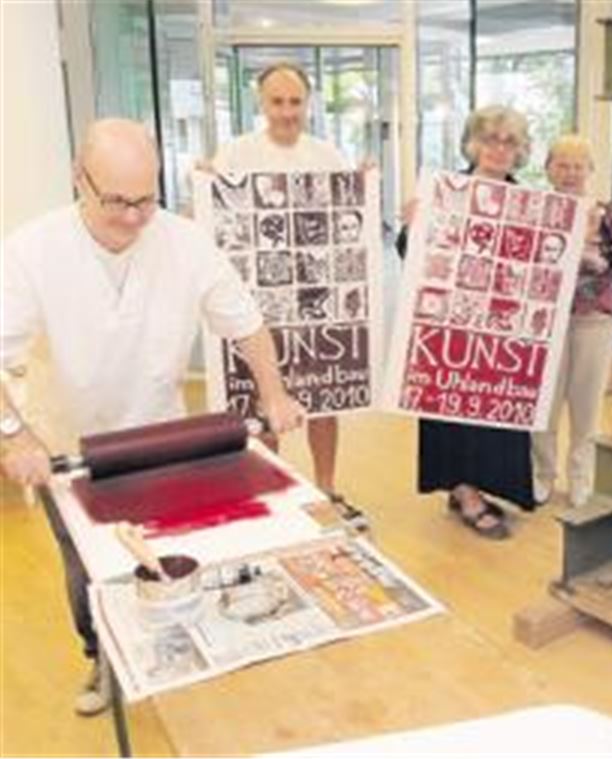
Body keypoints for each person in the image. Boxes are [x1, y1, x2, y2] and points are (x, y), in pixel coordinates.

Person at [0, 119, 305, 716]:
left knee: (169, 555)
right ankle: (101, 659)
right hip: (69, 448)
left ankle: (177, 648)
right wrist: (15, 434)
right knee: (90, 568)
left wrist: (274, 393)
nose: (135, 217)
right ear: (78, 181)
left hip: (161, 440)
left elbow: (246, 323)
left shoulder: (185, 241)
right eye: (117, 201)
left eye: (146, 199)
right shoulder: (30, 251)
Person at [209, 61, 351, 496]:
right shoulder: (234, 153)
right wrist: (202, 184)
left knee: (325, 399)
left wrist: (363, 184)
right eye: (277, 101)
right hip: (255, 302)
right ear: (261, 102)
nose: (287, 111)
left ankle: (326, 487)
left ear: (307, 103)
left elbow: (348, 218)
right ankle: (272, 489)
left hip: (315, 297)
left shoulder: (326, 155)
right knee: (263, 399)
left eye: (295, 102)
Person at [396, 105, 536, 539]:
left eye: (509, 141)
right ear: (473, 143)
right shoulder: (446, 191)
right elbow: (409, 252)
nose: (498, 149)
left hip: (502, 327)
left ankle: (476, 487)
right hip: (449, 324)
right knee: (452, 411)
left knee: (493, 410)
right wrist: (413, 226)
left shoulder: (530, 203)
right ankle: (465, 492)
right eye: (490, 139)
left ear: (521, 151)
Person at [532, 135, 612, 508]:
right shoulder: (536, 209)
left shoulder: (608, 214)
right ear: (548, 169)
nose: (570, 173)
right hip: (545, 320)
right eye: (562, 164)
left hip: (595, 319)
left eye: (578, 165)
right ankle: (541, 475)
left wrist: (599, 265)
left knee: (587, 406)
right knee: (544, 406)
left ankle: (582, 476)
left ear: (590, 170)